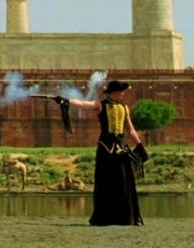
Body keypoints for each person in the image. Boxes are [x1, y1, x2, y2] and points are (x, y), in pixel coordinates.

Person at [58, 80, 144, 225]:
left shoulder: (124, 107)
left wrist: (140, 145)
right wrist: (67, 101)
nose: (123, 94)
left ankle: (125, 217)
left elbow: (130, 129)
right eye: (121, 91)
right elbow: (84, 104)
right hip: (106, 146)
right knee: (107, 182)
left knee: (124, 182)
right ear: (114, 92)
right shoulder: (100, 104)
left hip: (121, 147)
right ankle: (105, 217)